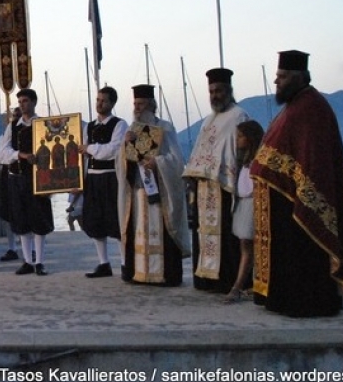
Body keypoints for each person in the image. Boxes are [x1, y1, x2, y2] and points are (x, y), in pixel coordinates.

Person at [251, 50, 343, 317]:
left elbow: (313, 163)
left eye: (282, 77)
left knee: (303, 254)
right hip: (285, 202)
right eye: (277, 76)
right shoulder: (295, 106)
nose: (276, 82)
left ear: (299, 77)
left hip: (297, 204)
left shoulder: (311, 108)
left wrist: (296, 189)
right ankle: (285, 298)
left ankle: (304, 301)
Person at [182, 68, 250, 294]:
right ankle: (206, 279)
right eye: (211, 91)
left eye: (219, 90)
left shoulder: (238, 115)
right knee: (204, 233)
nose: (214, 95)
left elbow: (240, 151)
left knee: (225, 236)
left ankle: (226, 279)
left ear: (229, 90)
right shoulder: (208, 120)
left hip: (224, 186)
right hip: (204, 187)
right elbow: (201, 149)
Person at [117, 84, 190, 286]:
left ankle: (165, 274)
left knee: (162, 232)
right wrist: (126, 146)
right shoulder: (131, 130)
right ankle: (139, 273)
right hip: (139, 193)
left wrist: (157, 163)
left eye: (141, 104)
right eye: (135, 104)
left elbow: (176, 160)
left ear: (151, 105)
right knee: (138, 231)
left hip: (161, 191)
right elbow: (122, 164)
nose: (137, 108)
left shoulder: (165, 128)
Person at [0, 88, 54, 276]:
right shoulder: (13, 127)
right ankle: (27, 260)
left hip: (37, 179)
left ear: (34, 102)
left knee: (38, 220)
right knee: (21, 221)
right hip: (17, 178)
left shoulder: (43, 125)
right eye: (20, 101)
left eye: (25, 101)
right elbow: (2, 154)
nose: (22, 104)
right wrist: (19, 155)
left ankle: (40, 261)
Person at [78, 86, 127, 278]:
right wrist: (80, 180)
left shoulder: (119, 124)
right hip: (93, 176)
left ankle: (124, 263)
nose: (99, 104)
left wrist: (90, 148)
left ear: (112, 103)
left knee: (115, 219)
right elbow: (83, 157)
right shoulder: (88, 127)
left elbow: (114, 150)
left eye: (103, 101)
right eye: (98, 100)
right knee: (95, 220)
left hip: (110, 176)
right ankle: (103, 263)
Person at [224, 120, 265, 303]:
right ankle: (250, 283)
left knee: (248, 246)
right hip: (243, 203)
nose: (238, 140)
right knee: (246, 246)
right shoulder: (245, 158)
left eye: (240, 136)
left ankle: (238, 286)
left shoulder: (258, 159)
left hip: (252, 204)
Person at [0, 106, 22, 262]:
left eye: (18, 115)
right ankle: (12, 247)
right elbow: (0, 157)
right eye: (14, 115)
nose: (16, 117)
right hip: (8, 172)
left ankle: (31, 249)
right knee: (8, 213)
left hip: (25, 172)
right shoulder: (4, 135)